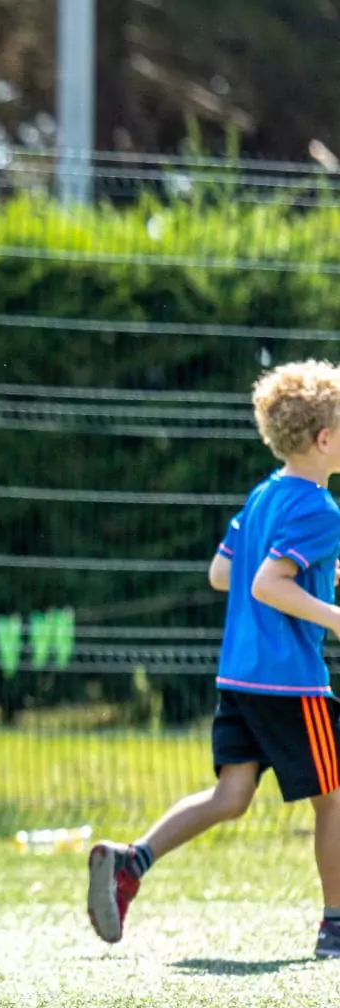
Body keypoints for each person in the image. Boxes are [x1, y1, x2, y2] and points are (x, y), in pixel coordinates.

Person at [89, 360, 340, 959]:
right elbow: (265, 584)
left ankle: (132, 860)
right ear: (324, 439)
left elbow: (222, 572)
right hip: (290, 684)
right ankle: (336, 924)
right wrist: (333, 615)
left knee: (231, 797)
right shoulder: (322, 509)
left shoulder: (262, 496)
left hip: (239, 677)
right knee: (335, 796)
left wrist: (319, 577)